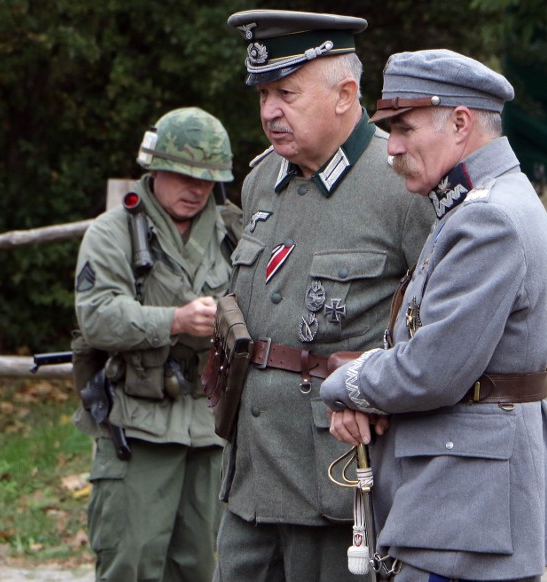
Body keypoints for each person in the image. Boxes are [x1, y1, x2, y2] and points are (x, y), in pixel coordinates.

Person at [320, 49, 547, 581]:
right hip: (468, 500)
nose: (391, 148)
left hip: (462, 508)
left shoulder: (485, 218)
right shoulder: (485, 203)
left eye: (404, 128)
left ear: (461, 123)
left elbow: (430, 369)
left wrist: (344, 382)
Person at [214, 10, 434, 582]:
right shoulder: (263, 179)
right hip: (250, 476)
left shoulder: (401, 185)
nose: (269, 112)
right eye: (263, 94)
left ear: (345, 94)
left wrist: (377, 388)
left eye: (286, 92)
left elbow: (440, 327)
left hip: (337, 480)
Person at [73, 106, 242, 582]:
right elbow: (97, 316)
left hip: (211, 426)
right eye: (184, 175)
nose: (196, 189)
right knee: (131, 562)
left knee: (205, 567)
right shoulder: (114, 233)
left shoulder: (235, 231)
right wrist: (175, 320)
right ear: (155, 169)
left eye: (208, 179)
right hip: (138, 424)